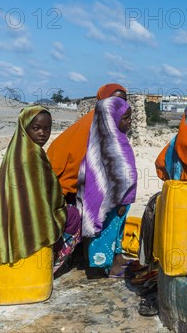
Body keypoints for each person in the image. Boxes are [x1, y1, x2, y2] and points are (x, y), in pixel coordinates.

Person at [0, 106, 66, 280]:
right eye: (36, 128)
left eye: (47, 129)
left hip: (4, 224)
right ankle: (54, 264)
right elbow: (49, 196)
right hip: (32, 226)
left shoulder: (14, 151)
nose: (42, 133)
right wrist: (60, 206)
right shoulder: (34, 154)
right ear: (24, 127)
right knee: (73, 217)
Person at [48, 83, 126, 273]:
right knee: (114, 206)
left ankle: (107, 254)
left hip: (78, 185)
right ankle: (99, 260)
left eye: (122, 101)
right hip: (65, 187)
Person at [78, 97, 137, 278]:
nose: (129, 122)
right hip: (111, 201)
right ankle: (103, 266)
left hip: (121, 201)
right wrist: (119, 200)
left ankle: (115, 259)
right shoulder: (107, 143)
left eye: (130, 117)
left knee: (116, 232)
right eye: (125, 118)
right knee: (106, 234)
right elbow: (114, 175)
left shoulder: (119, 139)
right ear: (110, 119)